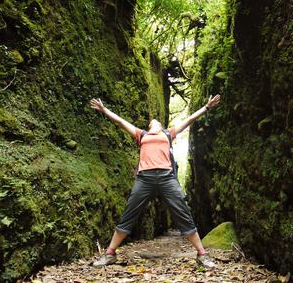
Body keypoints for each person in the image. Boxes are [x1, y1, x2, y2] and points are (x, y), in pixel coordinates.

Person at [89, 94, 221, 268]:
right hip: (144, 179)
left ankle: (202, 254)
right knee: (129, 212)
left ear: (162, 126)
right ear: (149, 126)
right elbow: (121, 122)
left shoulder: (168, 134)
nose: (155, 121)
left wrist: (207, 107)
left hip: (167, 178)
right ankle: (110, 254)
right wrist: (104, 110)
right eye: (152, 121)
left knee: (183, 211)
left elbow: (189, 120)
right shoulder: (141, 135)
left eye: (158, 121)